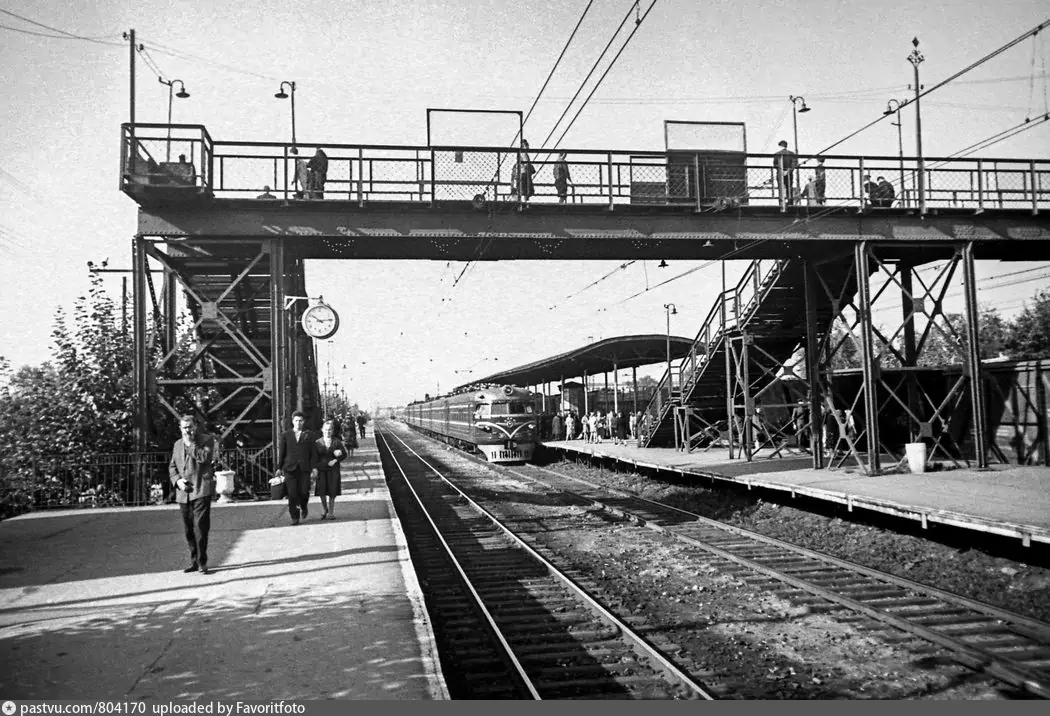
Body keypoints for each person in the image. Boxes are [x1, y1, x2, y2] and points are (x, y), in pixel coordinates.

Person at [169, 415, 217, 574]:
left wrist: (190, 444)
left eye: (190, 427)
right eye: (184, 427)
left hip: (201, 489)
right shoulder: (177, 445)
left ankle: (202, 562)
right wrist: (177, 481)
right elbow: (172, 467)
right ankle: (194, 561)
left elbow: (205, 458)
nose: (187, 430)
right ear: (180, 428)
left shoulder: (206, 439)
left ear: (195, 426)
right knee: (189, 530)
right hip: (184, 493)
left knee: (201, 528)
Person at [277, 411, 318, 525]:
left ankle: (304, 506)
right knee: (292, 493)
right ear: (292, 421)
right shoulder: (286, 435)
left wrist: (314, 468)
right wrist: (279, 467)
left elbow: (313, 453)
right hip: (290, 468)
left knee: (304, 492)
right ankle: (294, 517)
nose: (298, 423)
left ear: (304, 422)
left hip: (304, 468)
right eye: (296, 421)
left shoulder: (309, 435)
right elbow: (282, 452)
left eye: (300, 421)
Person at [314, 419, 347, 520]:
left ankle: (331, 512)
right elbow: (314, 457)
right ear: (322, 430)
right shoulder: (317, 443)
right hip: (322, 469)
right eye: (326, 429)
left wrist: (336, 460)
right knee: (322, 491)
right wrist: (315, 468)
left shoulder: (336, 442)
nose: (328, 432)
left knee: (332, 491)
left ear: (332, 431)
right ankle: (325, 510)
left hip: (333, 470)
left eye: (330, 430)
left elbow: (344, 454)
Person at [773, 140, 797, 204]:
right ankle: (790, 201)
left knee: (781, 188)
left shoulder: (777, 154)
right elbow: (794, 164)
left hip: (780, 174)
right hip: (789, 173)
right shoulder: (792, 154)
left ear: (780, 146)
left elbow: (775, 165)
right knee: (789, 187)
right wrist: (788, 171)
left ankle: (781, 202)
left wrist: (781, 171)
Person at [512, 140, 535, 207]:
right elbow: (526, 163)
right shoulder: (524, 153)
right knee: (525, 189)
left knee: (523, 189)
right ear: (524, 146)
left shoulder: (520, 154)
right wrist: (531, 169)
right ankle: (524, 203)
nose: (528, 146)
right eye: (527, 145)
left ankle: (523, 202)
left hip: (522, 173)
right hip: (524, 173)